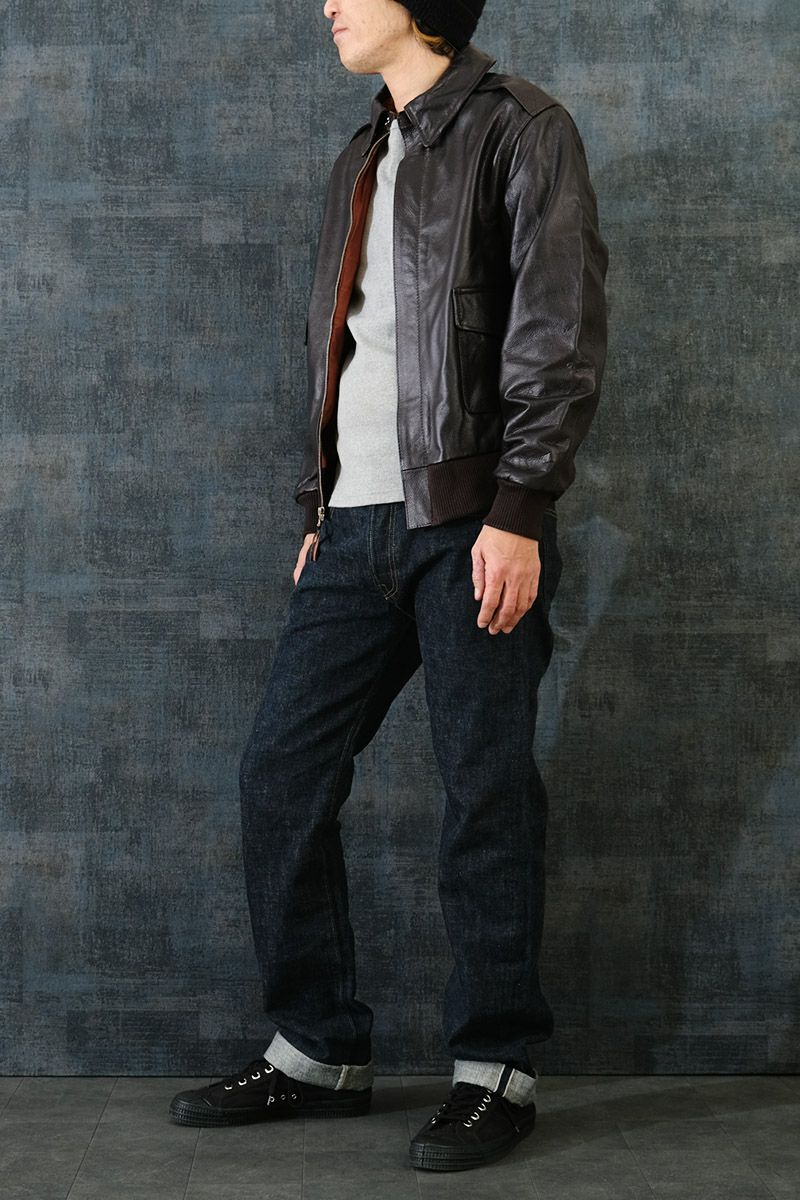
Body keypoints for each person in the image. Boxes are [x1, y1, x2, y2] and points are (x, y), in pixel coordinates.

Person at [169, 0, 609, 1174]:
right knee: (280, 774)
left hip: (471, 523)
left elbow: (556, 331)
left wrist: (518, 512)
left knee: (482, 793)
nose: (327, 3)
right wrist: (319, 506)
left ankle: (494, 1066)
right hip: (352, 529)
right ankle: (318, 1047)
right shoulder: (363, 151)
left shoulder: (521, 128)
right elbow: (346, 346)